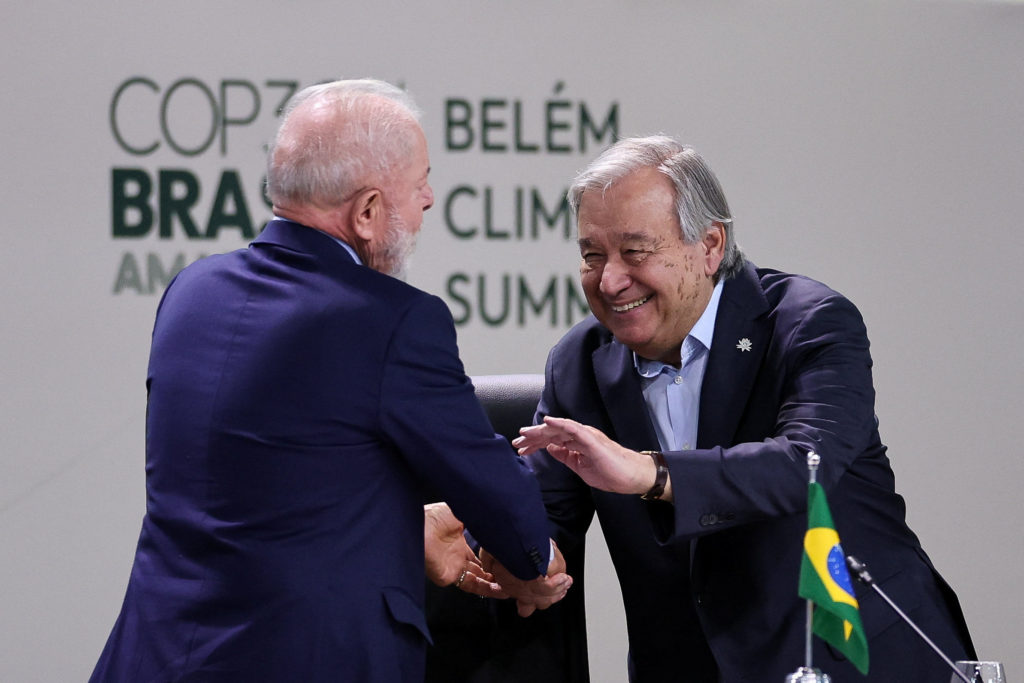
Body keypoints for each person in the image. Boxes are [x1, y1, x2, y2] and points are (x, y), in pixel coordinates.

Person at [89, 78, 569, 683]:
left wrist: (405, 530)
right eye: (419, 182)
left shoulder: (191, 292)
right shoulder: (390, 320)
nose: (428, 199)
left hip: (154, 657)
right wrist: (536, 559)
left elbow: (268, 487)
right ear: (366, 212)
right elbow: (498, 498)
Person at [509, 136, 975, 682]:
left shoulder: (808, 324)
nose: (609, 280)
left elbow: (804, 466)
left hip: (847, 657)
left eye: (635, 252)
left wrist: (650, 472)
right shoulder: (580, 361)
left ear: (710, 245)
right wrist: (521, 556)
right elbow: (544, 511)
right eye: (592, 256)